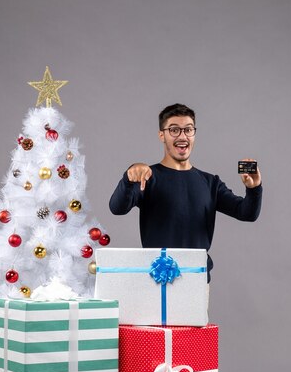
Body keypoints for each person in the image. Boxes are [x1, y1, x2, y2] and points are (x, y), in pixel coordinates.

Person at [109, 103, 262, 280]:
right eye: (174, 130)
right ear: (162, 135)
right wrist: (129, 178)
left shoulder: (210, 182)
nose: (182, 136)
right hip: (158, 277)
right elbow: (117, 208)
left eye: (188, 130)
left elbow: (247, 213)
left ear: (194, 134)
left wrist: (254, 188)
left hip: (197, 276)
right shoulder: (147, 176)